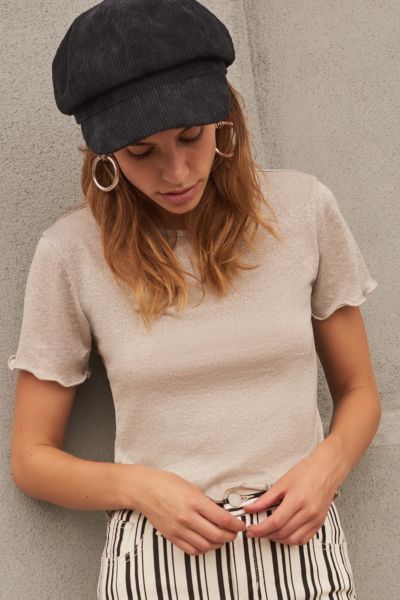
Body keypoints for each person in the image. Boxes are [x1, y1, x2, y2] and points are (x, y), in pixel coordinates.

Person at [7, 1, 381, 598]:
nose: (177, 171)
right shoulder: (71, 252)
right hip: (157, 559)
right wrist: (140, 487)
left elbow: (359, 389)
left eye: (191, 136)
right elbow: (31, 458)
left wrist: (327, 466)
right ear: (105, 154)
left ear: (223, 119)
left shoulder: (304, 210)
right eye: (142, 152)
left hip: (299, 547)